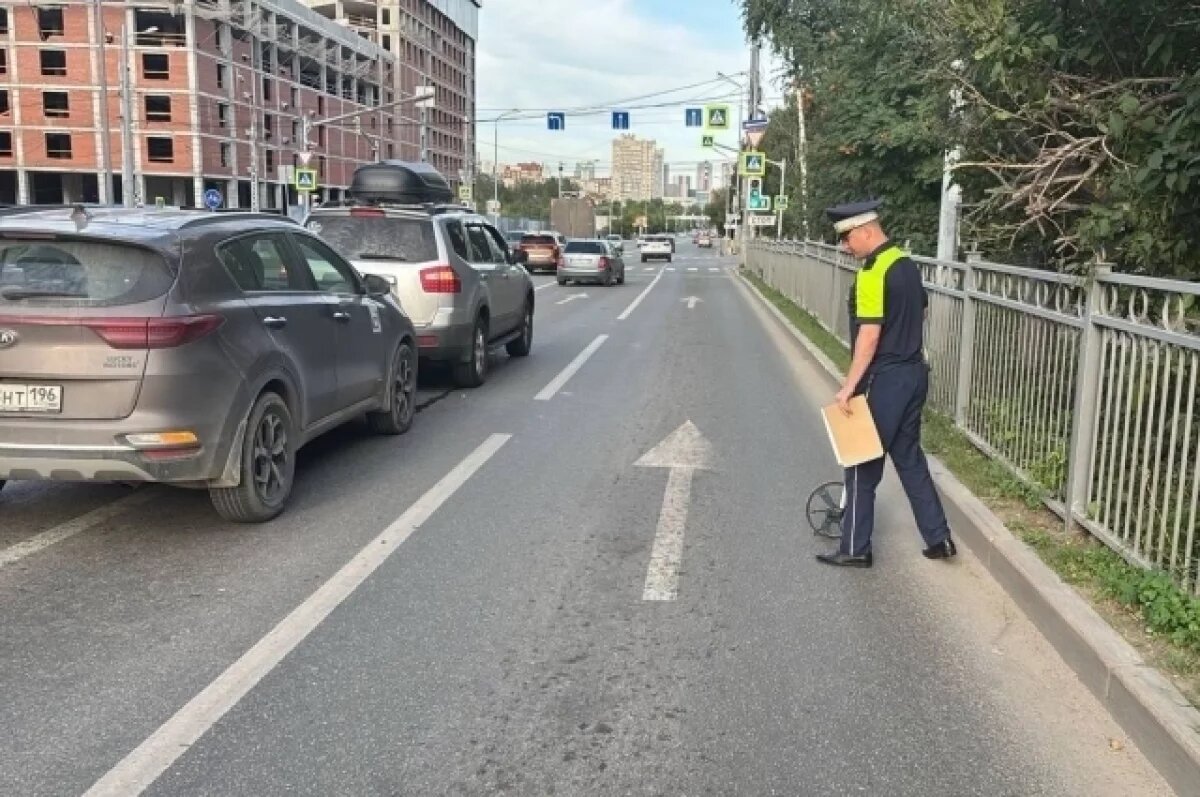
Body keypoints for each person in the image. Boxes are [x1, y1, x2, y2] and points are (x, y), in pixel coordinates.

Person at [815, 199, 957, 568]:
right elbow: (921, 310)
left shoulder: (872, 272)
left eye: (848, 239)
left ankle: (855, 547)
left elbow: (869, 337)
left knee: (860, 463)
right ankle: (938, 538)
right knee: (909, 458)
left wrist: (849, 386)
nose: (846, 247)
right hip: (915, 374)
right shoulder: (905, 264)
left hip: (886, 378)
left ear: (866, 230)